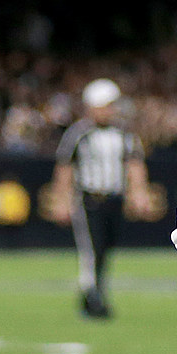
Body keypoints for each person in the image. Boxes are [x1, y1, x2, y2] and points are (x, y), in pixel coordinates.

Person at [52, 78, 148, 320]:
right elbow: (65, 168)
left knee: (105, 249)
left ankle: (90, 294)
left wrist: (138, 192)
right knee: (92, 250)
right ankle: (94, 297)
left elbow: (135, 163)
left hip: (114, 198)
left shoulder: (124, 134)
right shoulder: (79, 134)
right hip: (89, 200)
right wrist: (61, 199)